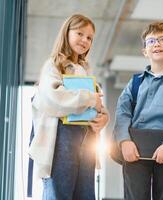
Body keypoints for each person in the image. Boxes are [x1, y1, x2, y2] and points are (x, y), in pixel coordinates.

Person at [29, 14, 109, 199]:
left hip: (87, 138)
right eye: (80, 33)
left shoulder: (85, 69)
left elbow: (97, 103)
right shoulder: (53, 65)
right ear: (67, 33)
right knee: (59, 193)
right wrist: (89, 99)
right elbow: (54, 98)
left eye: (89, 37)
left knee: (85, 194)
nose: (85, 40)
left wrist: (104, 117)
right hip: (60, 138)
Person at [113, 22, 163, 200]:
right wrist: (124, 141)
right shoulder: (134, 82)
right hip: (135, 150)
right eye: (151, 41)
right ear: (144, 51)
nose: (157, 44)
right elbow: (122, 113)